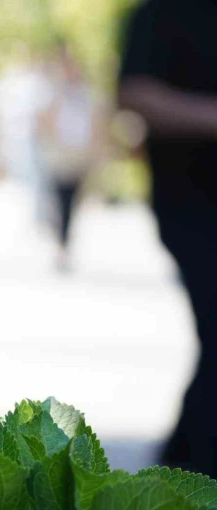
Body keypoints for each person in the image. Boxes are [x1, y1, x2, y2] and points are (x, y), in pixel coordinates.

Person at [119, 0, 217, 476]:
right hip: (194, 206)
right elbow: (136, 94)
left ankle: (180, 466)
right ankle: (188, 472)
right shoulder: (161, 13)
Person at [38, 45, 99, 271]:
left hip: (79, 155)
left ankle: (66, 241)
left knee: (73, 201)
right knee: (60, 200)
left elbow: (96, 122)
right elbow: (43, 122)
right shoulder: (53, 93)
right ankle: (61, 242)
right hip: (59, 155)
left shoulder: (87, 94)